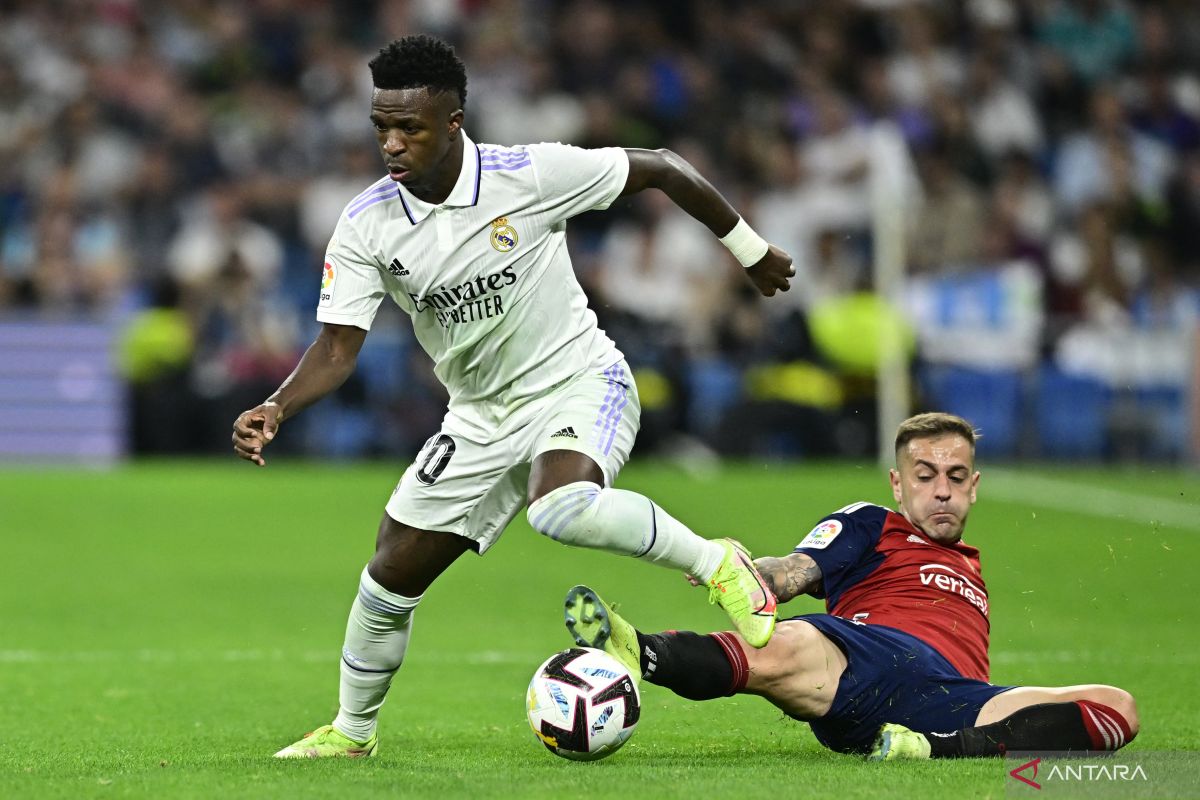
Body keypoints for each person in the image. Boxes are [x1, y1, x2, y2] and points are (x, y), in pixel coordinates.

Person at [230, 35, 794, 758]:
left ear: (455, 121)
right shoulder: (367, 224)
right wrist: (278, 404)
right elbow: (338, 348)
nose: (393, 144)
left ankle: (718, 563)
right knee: (387, 578)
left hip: (579, 380)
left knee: (559, 507)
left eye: (411, 128)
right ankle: (352, 733)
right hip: (478, 416)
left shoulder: (529, 175)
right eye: (381, 128)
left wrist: (748, 250)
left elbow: (660, 168)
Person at [564, 412, 1139, 759]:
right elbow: (791, 574)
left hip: (960, 697)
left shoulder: (972, 568)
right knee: (782, 643)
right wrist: (744, 572)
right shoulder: (872, 524)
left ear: (974, 487)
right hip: (861, 661)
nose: (942, 490)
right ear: (897, 483)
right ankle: (639, 650)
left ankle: (934, 748)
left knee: (1117, 708)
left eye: (956, 477)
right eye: (925, 476)